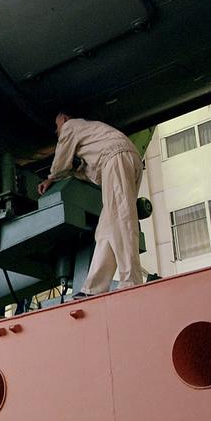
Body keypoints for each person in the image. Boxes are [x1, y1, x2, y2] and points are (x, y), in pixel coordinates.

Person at [36, 112, 144, 296]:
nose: (58, 132)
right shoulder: (91, 135)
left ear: (64, 119)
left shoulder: (71, 126)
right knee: (105, 230)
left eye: (57, 127)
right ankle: (93, 288)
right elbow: (89, 171)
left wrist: (51, 178)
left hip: (117, 158)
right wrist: (74, 172)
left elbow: (62, 159)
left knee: (121, 219)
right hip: (123, 159)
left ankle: (131, 280)